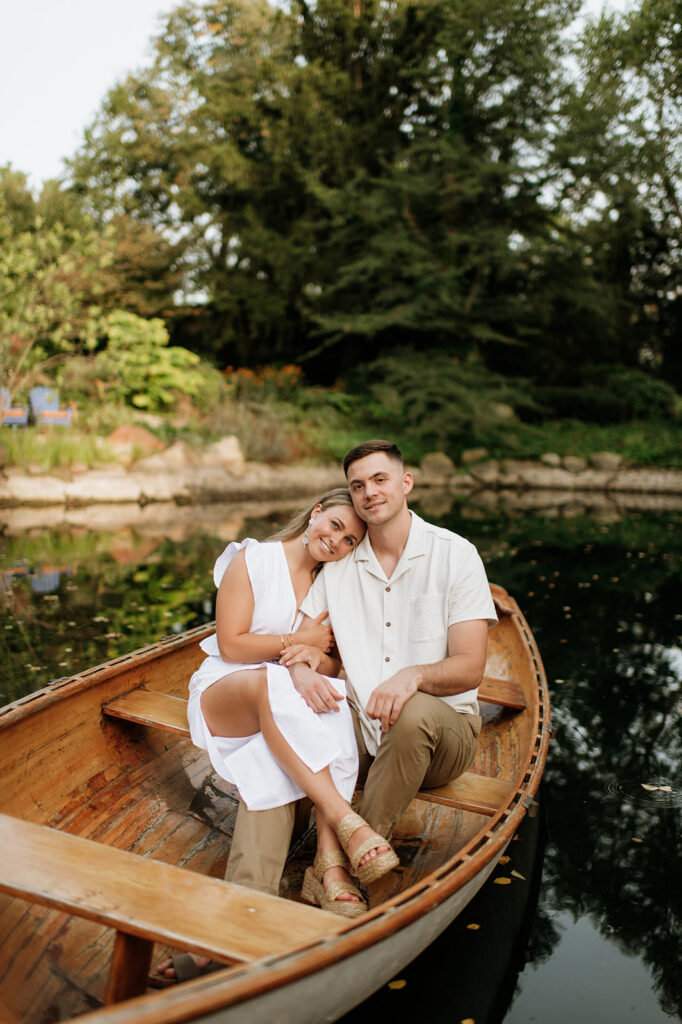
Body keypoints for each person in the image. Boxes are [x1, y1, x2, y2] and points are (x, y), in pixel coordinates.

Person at [152, 486, 398, 985]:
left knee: (296, 737)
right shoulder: (252, 560)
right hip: (227, 691)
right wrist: (298, 646)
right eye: (333, 526)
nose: (336, 542)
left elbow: (334, 662)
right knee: (277, 687)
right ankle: (342, 828)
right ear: (315, 514)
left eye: (350, 540)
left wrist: (310, 663)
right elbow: (232, 644)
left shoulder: (333, 584)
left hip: (281, 698)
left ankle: (242, 919)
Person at [231, 439, 498, 898]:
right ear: (350, 496)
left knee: (411, 711)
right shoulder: (338, 565)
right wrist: (305, 668)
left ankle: (346, 870)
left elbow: (471, 668)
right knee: (285, 729)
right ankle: (244, 897)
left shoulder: (455, 555)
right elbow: (311, 646)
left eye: (379, 479)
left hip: (440, 735)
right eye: (358, 485)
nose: (370, 492)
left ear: (405, 482)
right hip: (361, 726)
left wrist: (412, 675)